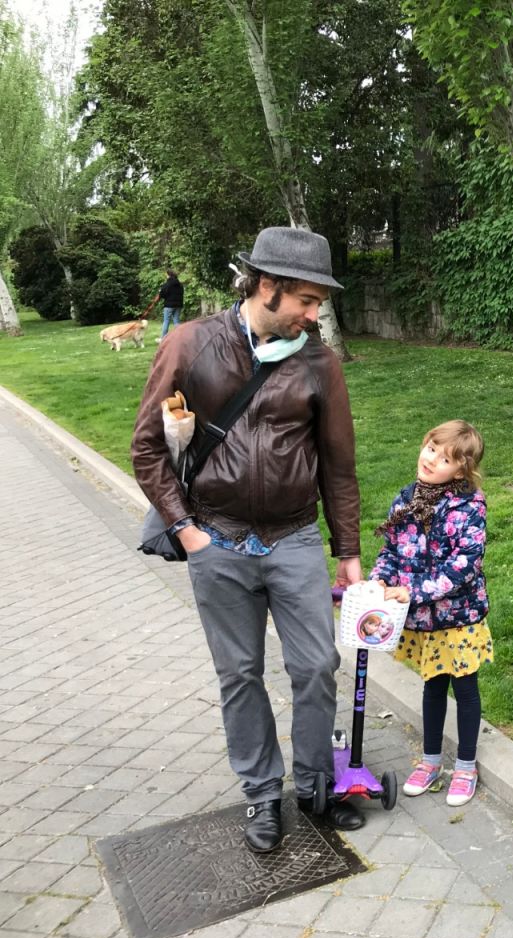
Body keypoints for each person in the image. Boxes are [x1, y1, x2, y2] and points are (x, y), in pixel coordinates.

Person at [131, 227, 365, 853]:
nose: (314, 316)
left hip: (293, 540)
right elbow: (147, 448)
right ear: (268, 286)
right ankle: (262, 793)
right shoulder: (191, 343)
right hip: (218, 539)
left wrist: (347, 553)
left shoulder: (318, 361)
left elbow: (338, 467)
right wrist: (187, 532)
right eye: (307, 302)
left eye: (318, 305)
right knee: (240, 673)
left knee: (317, 665)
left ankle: (317, 786)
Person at [370, 420, 490, 807]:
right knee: (433, 686)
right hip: (423, 620)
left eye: (445, 458)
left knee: (465, 687)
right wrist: (378, 583)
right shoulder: (406, 499)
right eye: (430, 449)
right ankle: (431, 760)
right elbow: (391, 552)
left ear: (461, 470)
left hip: (460, 617)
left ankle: (467, 765)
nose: (432, 460)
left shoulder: (468, 506)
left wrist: (415, 592)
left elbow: (464, 565)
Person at [158, 269, 184, 338]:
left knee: (166, 322)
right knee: (176, 321)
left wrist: (160, 291)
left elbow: (162, 294)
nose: (166, 276)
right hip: (178, 305)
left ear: (169, 275)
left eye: (166, 275)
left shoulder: (167, 284)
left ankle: (163, 338)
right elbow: (181, 294)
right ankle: (179, 337)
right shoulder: (180, 284)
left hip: (169, 305)